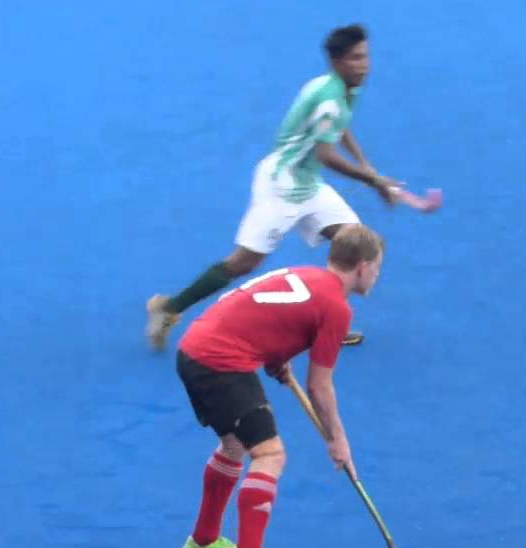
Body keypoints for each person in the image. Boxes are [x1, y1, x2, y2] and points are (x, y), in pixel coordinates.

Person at [146, 22, 400, 351]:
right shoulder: (328, 99)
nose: (364, 65)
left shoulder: (346, 88)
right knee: (242, 264)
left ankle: (328, 321)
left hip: (307, 184)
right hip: (282, 188)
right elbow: (325, 153)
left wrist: (366, 165)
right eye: (355, 58)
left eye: (365, 56)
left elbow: (341, 127)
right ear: (337, 62)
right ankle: (168, 308)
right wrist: (373, 180)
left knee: (352, 243)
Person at [175, 223, 384, 548]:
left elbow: (263, 315)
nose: (377, 276)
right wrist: (338, 440)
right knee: (269, 454)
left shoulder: (304, 275)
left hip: (194, 350)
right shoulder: (337, 307)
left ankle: (204, 542)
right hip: (222, 362)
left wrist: (275, 355)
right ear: (363, 266)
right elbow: (319, 385)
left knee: (234, 446)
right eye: (378, 268)